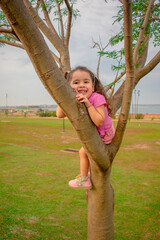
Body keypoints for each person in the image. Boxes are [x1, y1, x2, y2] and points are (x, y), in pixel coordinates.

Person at [56, 66, 115, 190]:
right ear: (69, 87)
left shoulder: (96, 98)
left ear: (92, 86)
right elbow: (59, 115)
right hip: (97, 133)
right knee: (84, 152)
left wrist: (88, 105)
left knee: (83, 152)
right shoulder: (74, 99)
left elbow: (99, 121)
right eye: (76, 82)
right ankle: (86, 176)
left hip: (105, 134)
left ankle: (84, 179)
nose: (81, 85)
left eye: (86, 82)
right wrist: (63, 97)